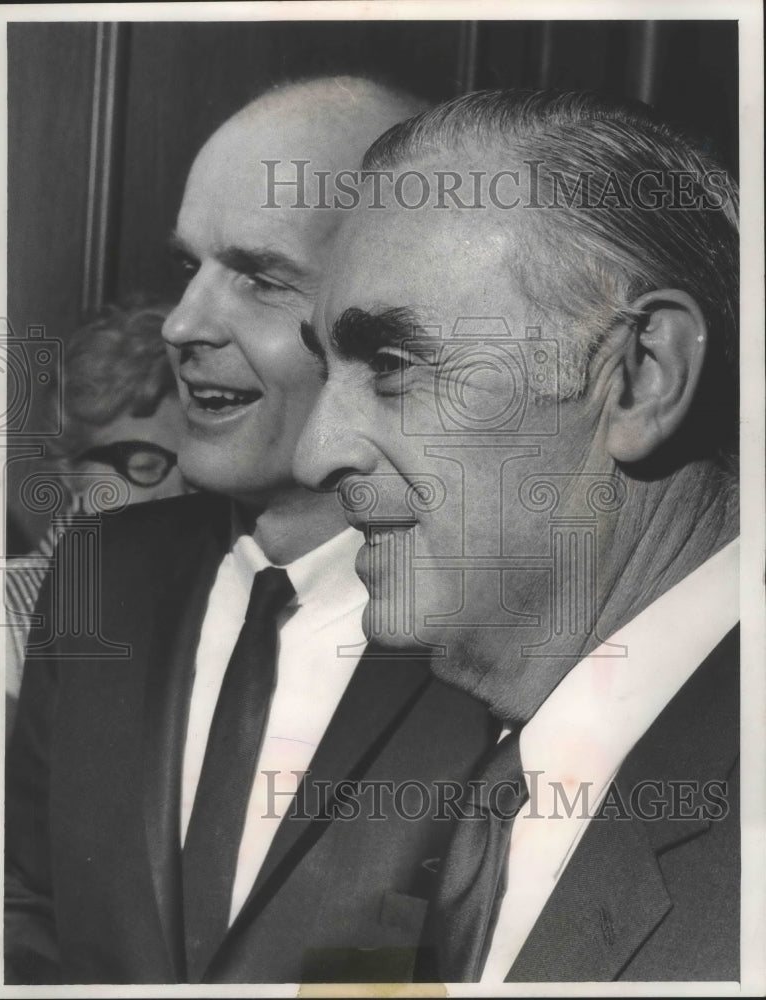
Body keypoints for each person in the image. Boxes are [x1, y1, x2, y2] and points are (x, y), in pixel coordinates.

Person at [5, 77, 498, 985]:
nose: (184, 324)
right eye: (187, 269)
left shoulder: (496, 627)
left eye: (260, 278)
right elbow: (25, 902)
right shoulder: (100, 574)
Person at [295, 89, 740, 982]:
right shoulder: (449, 779)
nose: (313, 454)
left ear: (642, 374)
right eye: (323, 367)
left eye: (391, 364)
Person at [5, 299, 188, 738]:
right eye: (144, 467)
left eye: (197, 471)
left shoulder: (214, 594)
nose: (178, 494)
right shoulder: (4, 607)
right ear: (70, 470)